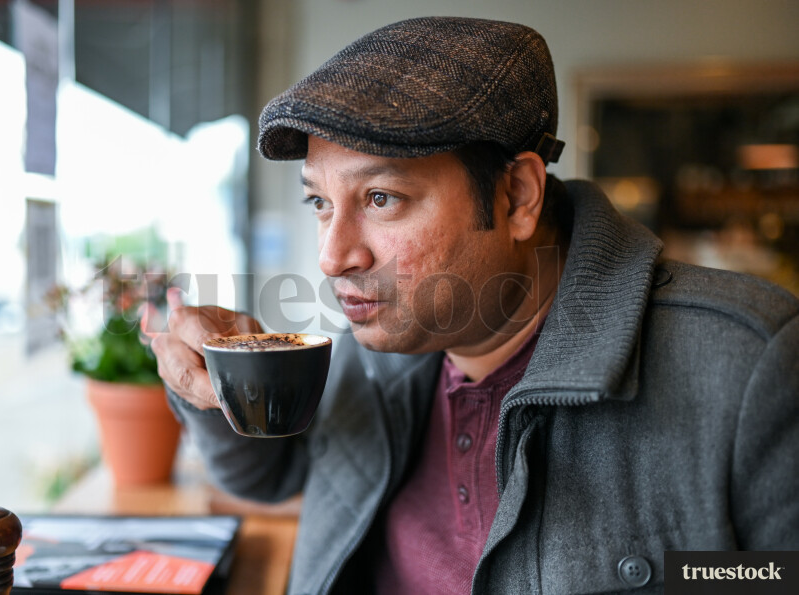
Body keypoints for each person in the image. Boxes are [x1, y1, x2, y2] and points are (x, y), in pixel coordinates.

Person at [148, 17, 799, 594]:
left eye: (381, 198)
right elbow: (270, 475)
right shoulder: (371, 356)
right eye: (319, 201)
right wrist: (223, 379)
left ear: (517, 197)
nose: (332, 255)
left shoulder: (749, 363)